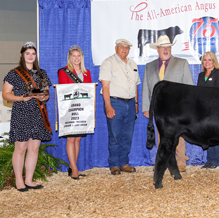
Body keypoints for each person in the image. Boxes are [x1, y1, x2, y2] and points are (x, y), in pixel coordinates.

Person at [2, 42, 52, 192]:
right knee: (21, 148)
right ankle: (19, 181)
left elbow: (47, 93)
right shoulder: (14, 73)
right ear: (22, 55)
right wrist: (20, 98)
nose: (31, 56)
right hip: (21, 113)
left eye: (33, 54)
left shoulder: (42, 73)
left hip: (38, 113)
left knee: (34, 147)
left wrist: (44, 97)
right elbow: (5, 94)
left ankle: (29, 180)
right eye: (27, 53)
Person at [142, 35, 193, 172]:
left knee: (180, 134)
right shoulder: (149, 66)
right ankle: (162, 162)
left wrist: (188, 106)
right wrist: (146, 108)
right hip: (159, 108)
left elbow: (189, 87)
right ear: (157, 49)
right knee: (161, 135)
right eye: (162, 47)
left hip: (178, 107)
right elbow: (146, 87)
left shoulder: (182, 63)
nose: (165, 49)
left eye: (168, 47)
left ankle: (180, 161)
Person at [99, 39, 140, 175]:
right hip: (115, 102)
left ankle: (124, 162)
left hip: (130, 102)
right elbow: (105, 86)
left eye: (127, 47)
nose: (124, 49)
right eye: (121, 47)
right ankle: (114, 164)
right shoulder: (108, 62)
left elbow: (135, 85)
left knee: (127, 135)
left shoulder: (132, 63)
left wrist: (136, 103)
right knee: (115, 135)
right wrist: (108, 106)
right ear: (116, 48)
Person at [58, 45, 92, 179]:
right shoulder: (64, 71)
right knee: (71, 138)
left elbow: (89, 91)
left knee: (78, 138)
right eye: (74, 56)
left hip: (82, 109)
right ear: (69, 58)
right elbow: (65, 90)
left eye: (79, 56)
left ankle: (73, 167)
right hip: (70, 109)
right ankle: (75, 169)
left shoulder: (86, 73)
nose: (76, 58)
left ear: (81, 58)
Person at [197, 51, 219, 169]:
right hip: (204, 111)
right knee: (208, 135)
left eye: (209, 60)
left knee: (216, 135)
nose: (207, 62)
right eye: (205, 60)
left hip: (216, 110)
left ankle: (216, 161)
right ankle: (209, 160)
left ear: (214, 61)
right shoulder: (200, 75)